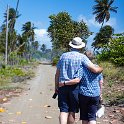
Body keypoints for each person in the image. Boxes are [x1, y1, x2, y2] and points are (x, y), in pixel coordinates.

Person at [55, 37, 103, 124]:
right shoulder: (82, 57)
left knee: (63, 110)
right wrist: (101, 68)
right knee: (72, 111)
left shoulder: (63, 56)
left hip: (62, 86)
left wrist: (56, 86)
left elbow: (57, 73)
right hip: (75, 88)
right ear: (81, 47)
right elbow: (94, 70)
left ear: (71, 46)